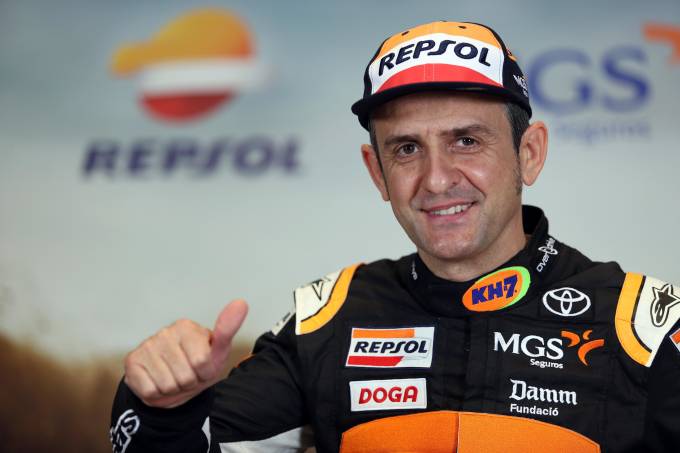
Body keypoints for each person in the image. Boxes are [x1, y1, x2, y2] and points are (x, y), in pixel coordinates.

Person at [110, 21, 680, 453]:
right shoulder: (327, 320)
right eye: (407, 149)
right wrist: (164, 408)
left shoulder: (643, 326)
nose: (436, 179)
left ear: (528, 154)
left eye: (466, 141)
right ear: (377, 172)